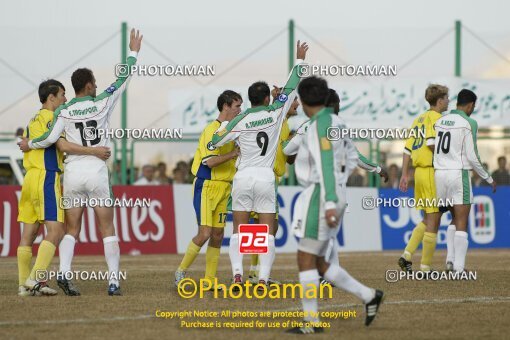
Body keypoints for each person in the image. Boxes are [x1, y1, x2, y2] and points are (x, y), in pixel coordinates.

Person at [19, 28, 143, 296]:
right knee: (107, 227)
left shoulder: (64, 110)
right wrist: (133, 52)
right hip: (97, 172)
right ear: (88, 86)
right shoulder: (103, 101)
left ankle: (63, 272)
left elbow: (49, 138)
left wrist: (30, 142)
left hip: (73, 174)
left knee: (72, 228)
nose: (97, 86)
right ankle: (113, 282)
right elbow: (124, 77)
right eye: (95, 83)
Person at [284, 77, 383, 334]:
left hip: (321, 194)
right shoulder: (338, 123)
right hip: (337, 192)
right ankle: (369, 295)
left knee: (305, 257)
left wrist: (328, 201)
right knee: (317, 261)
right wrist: (338, 185)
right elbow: (352, 158)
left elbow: (324, 163)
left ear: (305, 102)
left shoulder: (316, 126)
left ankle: (310, 322)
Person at [211, 41, 308, 288]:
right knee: (267, 232)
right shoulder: (276, 111)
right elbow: (291, 85)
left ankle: (236, 275)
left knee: (239, 231)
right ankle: (263, 278)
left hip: (242, 178)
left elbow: (214, 142)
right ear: (267, 98)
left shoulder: (240, 119)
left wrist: (224, 129)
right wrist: (299, 60)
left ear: (250, 99)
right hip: (266, 178)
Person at [17, 79, 110, 296]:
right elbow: (62, 145)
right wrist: (95, 151)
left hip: (29, 178)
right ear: (51, 98)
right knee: (57, 230)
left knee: (28, 234)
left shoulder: (33, 118)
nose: (65, 99)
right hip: (46, 177)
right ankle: (36, 278)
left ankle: (24, 285)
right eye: (61, 94)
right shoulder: (52, 117)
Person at [175, 90, 242, 291]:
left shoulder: (232, 131)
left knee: (218, 234)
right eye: (237, 106)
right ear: (226, 106)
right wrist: (233, 153)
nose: (240, 110)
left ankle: (210, 280)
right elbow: (210, 161)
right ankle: (180, 271)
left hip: (224, 187)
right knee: (204, 233)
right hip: (206, 185)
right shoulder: (211, 130)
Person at [434, 89, 496, 272]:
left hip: (439, 174)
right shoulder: (469, 122)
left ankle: (450, 260)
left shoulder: (439, 121)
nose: (473, 109)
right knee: (462, 220)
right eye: (473, 106)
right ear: (470, 105)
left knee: (453, 218)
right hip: (457, 174)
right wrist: (488, 177)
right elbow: (472, 155)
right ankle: (459, 268)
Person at [398, 84, 450, 272]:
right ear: (440, 100)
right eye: (446, 98)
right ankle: (426, 267)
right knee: (434, 219)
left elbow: (407, 149)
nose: (448, 101)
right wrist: (450, 158)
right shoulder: (437, 118)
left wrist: (405, 174)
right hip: (430, 172)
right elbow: (430, 144)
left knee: (428, 218)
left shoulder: (418, 118)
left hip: (419, 173)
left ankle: (407, 255)